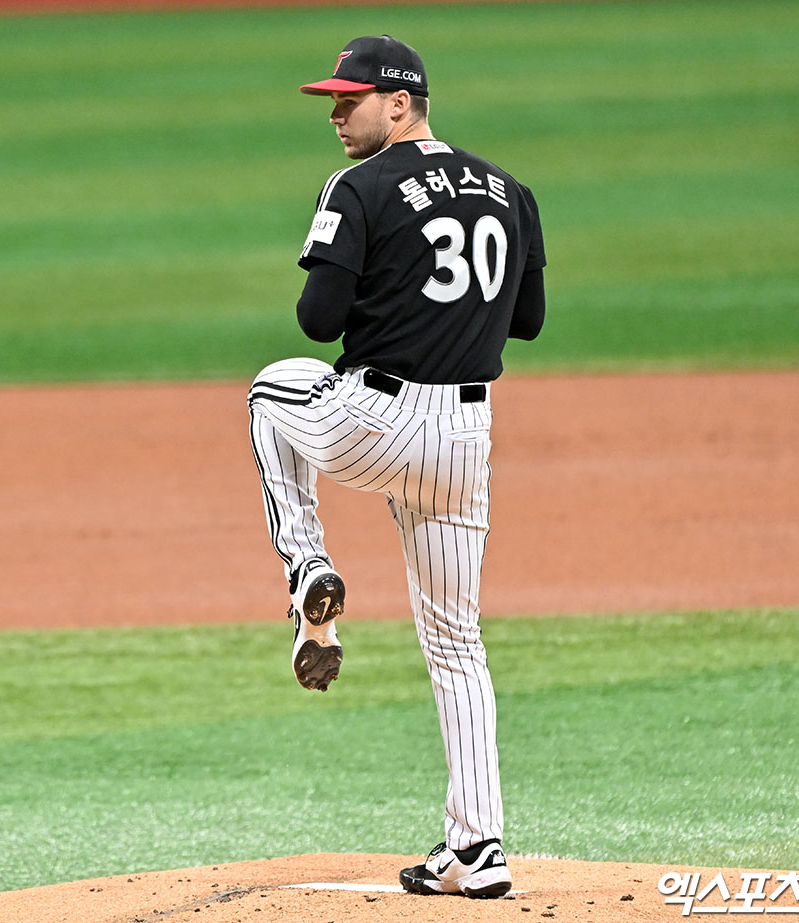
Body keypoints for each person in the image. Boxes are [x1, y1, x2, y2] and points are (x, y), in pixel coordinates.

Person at [246, 34, 546, 899]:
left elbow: (316, 319)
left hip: (374, 422)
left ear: (401, 102)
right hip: (464, 441)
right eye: (333, 102)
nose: (337, 115)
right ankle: (479, 846)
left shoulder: (359, 187)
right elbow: (526, 320)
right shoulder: (511, 192)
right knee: (457, 642)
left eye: (351, 100)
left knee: (271, 392)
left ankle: (306, 565)